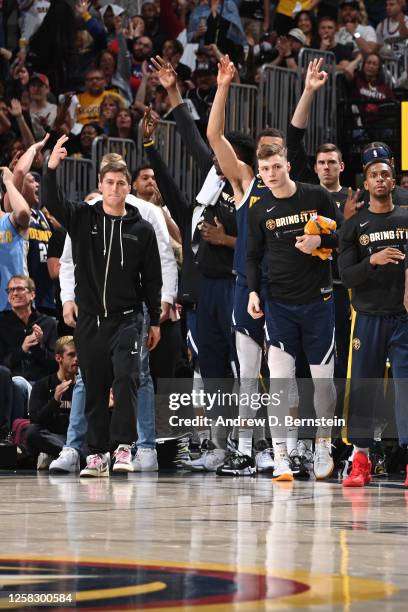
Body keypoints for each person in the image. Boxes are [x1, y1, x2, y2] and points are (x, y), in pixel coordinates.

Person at [43, 136, 162, 477]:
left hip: (128, 319)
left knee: (127, 379)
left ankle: (123, 447)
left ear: (128, 187)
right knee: (94, 385)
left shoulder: (142, 229)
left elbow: (152, 279)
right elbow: (51, 200)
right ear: (100, 184)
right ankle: (96, 455)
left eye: (121, 183)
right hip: (91, 320)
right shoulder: (82, 218)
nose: (115, 188)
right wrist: (51, 168)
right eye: (109, 182)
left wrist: (153, 320)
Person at [247, 143, 338, 481]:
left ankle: (323, 445)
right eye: (265, 169)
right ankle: (282, 453)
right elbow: (252, 256)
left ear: (287, 164)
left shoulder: (316, 196)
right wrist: (253, 292)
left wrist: (322, 243)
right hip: (279, 304)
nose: (271, 174)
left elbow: (345, 235)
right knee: (281, 382)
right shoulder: (258, 209)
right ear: (259, 171)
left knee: (322, 383)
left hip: (319, 302)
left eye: (276, 167)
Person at [338, 159, 408, 487]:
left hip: (403, 318)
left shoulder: (406, 217)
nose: (380, 179)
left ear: (393, 181)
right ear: (365, 184)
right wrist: (373, 261)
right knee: (363, 388)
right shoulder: (354, 225)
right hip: (367, 317)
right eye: (373, 175)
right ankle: (361, 461)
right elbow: (345, 274)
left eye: (385, 175)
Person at [26, 335, 78, 470]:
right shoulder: (43, 385)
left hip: (78, 437)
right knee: (32, 432)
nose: (76, 359)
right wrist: (54, 401)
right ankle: (72, 455)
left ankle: (60, 455)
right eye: (71, 355)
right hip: (55, 437)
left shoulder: (86, 386)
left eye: (78, 355)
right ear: (58, 358)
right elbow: (35, 419)